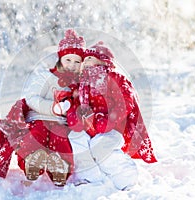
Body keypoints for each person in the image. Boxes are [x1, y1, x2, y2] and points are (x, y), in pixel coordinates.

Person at [0, 29, 85, 187]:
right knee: (34, 137)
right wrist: (52, 108)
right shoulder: (45, 76)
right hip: (38, 118)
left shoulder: (78, 86)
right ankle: (31, 161)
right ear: (60, 59)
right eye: (68, 60)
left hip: (60, 123)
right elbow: (31, 98)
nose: (72, 65)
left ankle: (60, 168)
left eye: (77, 62)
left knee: (61, 141)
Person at [65, 41, 157, 190]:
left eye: (90, 58)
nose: (86, 61)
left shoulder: (113, 78)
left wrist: (108, 120)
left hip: (111, 128)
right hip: (88, 128)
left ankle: (127, 178)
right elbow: (76, 104)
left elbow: (126, 101)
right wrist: (75, 118)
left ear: (103, 60)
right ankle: (89, 176)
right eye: (85, 59)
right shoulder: (82, 82)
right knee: (77, 140)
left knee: (101, 147)